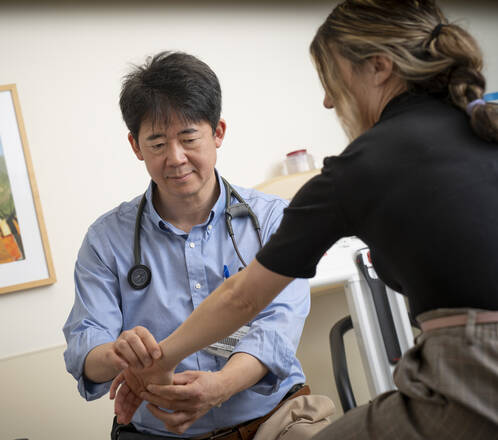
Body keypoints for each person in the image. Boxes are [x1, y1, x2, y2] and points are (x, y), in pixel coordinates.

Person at [111, 1, 498, 439]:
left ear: (379, 67)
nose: (328, 99)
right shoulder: (483, 126)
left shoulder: (359, 167)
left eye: (331, 79)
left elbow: (243, 299)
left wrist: (159, 359)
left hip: (473, 374)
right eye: (159, 141)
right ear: (137, 146)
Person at [62, 51, 313, 439]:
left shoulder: (272, 219)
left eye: (189, 137)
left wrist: (219, 387)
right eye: (158, 142)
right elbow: (85, 345)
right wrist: (123, 356)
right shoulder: (105, 240)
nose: (176, 158)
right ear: (135, 146)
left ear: (218, 133)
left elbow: (278, 326)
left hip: (274, 421)